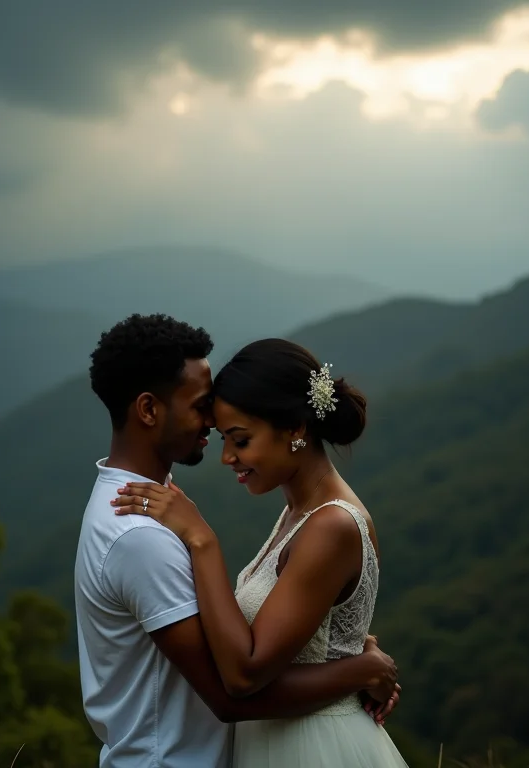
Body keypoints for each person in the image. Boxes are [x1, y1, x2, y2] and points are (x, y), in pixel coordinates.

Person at [75, 314, 400, 768]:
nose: (222, 449)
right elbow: (238, 683)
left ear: (294, 429)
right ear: (149, 410)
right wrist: (360, 668)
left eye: (239, 438)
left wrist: (351, 654)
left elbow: (256, 661)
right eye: (205, 412)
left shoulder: (323, 523)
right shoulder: (141, 532)